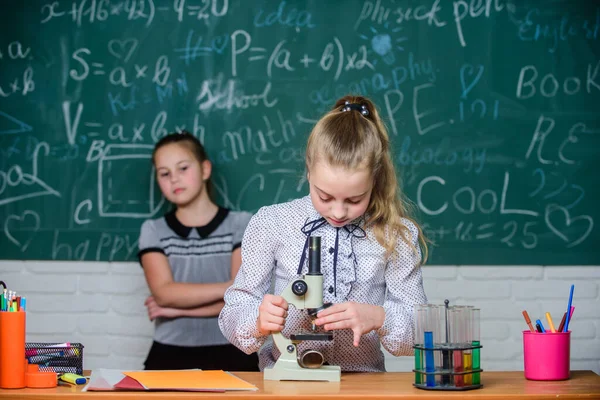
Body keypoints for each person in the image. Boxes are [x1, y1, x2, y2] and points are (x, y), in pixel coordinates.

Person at [218, 95, 428, 372]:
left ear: (375, 179)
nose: (339, 212)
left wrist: (380, 317)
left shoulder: (396, 235)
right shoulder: (272, 222)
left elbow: (420, 332)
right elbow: (233, 312)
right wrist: (258, 320)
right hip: (286, 382)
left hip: (363, 385)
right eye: (325, 196)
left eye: (354, 200)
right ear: (308, 170)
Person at [138, 131, 259, 371]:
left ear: (205, 169)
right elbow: (163, 294)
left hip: (234, 352)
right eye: (164, 173)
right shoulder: (153, 230)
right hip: (169, 354)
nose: (174, 179)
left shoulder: (241, 223)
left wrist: (175, 309)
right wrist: (229, 286)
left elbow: (244, 300)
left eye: (183, 168)